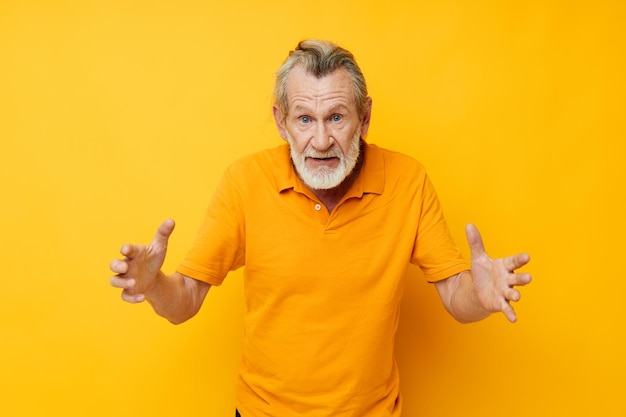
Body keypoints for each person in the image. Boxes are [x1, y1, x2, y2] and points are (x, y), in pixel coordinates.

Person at [109, 39, 531, 417]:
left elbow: (456, 295)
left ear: (364, 119)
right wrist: (155, 286)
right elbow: (183, 301)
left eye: (336, 117)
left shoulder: (408, 181)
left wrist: (479, 293)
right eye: (305, 119)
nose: (322, 139)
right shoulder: (245, 182)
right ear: (281, 122)